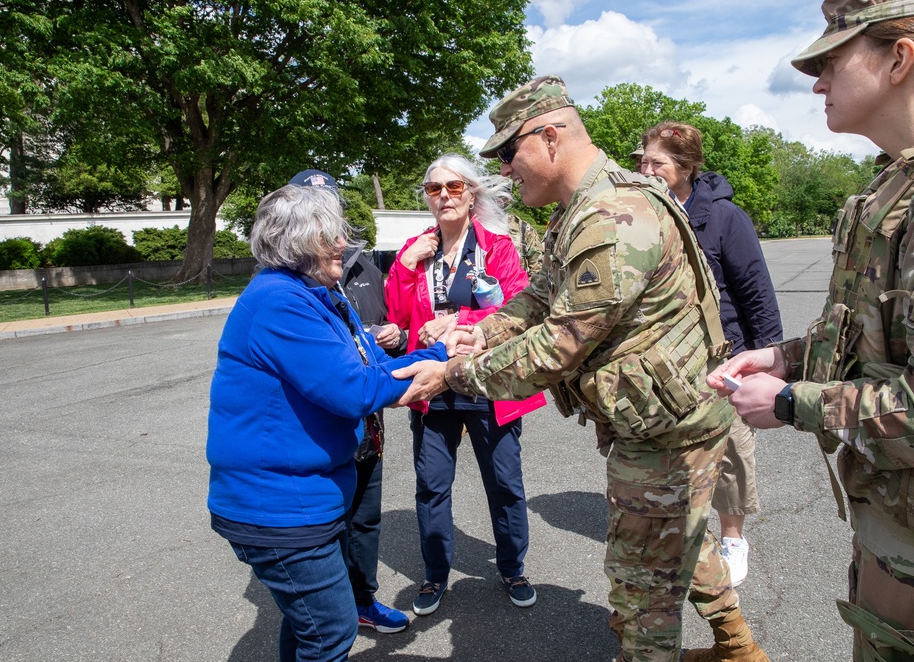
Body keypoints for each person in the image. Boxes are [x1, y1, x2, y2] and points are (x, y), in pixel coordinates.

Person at [394, 76, 769, 662]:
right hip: (662, 420)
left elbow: (556, 348)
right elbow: (540, 297)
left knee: (640, 583)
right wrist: (482, 331)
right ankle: (736, 645)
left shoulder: (611, 217)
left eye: (509, 152)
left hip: (667, 432)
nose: (505, 170)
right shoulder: (580, 209)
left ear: (549, 137)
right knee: (684, 537)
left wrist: (452, 374)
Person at [707, 0, 914, 659]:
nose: (816, 82)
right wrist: (787, 358)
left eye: (832, 60)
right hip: (909, 546)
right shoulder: (907, 182)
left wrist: (791, 402)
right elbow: (877, 334)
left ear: (900, 59)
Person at [206, 183, 448, 661]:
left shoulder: (308, 293)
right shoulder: (282, 302)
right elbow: (354, 390)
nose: (343, 244)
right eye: (330, 235)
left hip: (300, 499)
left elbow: (366, 361)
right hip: (280, 507)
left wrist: (436, 351)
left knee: (308, 626)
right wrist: (441, 362)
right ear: (297, 242)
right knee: (331, 630)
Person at [384, 153, 537, 616]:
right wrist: (404, 265)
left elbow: (517, 306)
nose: (445, 196)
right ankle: (435, 574)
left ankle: (512, 567)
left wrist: (459, 320)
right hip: (433, 385)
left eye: (454, 187)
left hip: (487, 381)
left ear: (471, 195)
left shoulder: (497, 246)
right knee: (432, 485)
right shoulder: (416, 248)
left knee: (504, 482)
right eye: (435, 188)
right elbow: (397, 316)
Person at [639, 122, 783, 586]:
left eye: (658, 162)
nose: (647, 170)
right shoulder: (641, 214)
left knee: (731, 451)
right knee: (674, 445)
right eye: (643, 161)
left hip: (723, 354)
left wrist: (769, 358)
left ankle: (733, 537)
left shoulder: (724, 217)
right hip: (665, 358)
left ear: (686, 167)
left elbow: (756, 292)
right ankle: (680, 526)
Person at [284, 169, 412, 635]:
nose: (330, 227)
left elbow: (386, 332)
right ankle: (330, 609)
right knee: (328, 525)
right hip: (325, 433)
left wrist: (398, 339)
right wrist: (429, 372)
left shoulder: (361, 266)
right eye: (315, 212)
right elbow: (332, 374)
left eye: (332, 210)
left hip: (367, 427)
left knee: (365, 520)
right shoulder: (286, 286)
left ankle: (362, 601)